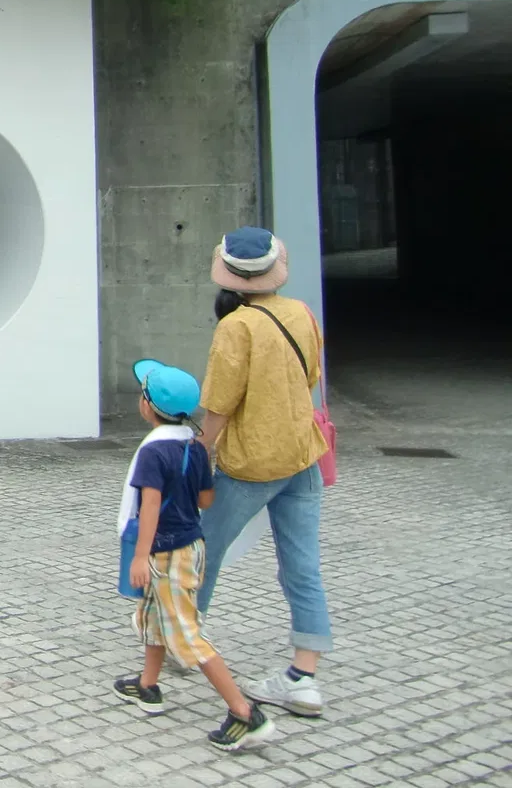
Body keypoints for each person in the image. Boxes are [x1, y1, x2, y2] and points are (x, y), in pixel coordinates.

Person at [196, 226, 333, 718]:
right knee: (302, 563)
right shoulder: (300, 312)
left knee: (204, 549)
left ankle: (183, 639)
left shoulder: (236, 327)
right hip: (303, 453)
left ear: (229, 276)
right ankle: (303, 677)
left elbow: (219, 401)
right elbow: (313, 376)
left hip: (252, 460)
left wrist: (200, 450)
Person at [113, 359, 277, 752]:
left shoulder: (153, 453)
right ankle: (148, 685)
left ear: (148, 407)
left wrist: (139, 557)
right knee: (154, 616)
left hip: (165, 554)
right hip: (192, 546)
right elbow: (206, 498)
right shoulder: (195, 446)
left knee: (187, 635)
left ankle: (243, 712)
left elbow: (148, 507)